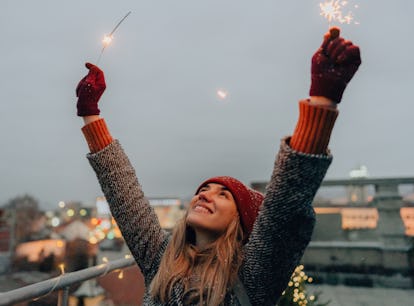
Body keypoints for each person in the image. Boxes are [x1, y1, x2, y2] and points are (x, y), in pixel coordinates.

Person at [75, 27, 361, 305]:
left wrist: (323, 98)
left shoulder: (253, 275)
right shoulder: (161, 260)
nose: (205, 194)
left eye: (223, 195)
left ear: (241, 221)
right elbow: (123, 193)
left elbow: (285, 207)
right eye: (204, 189)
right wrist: (91, 113)